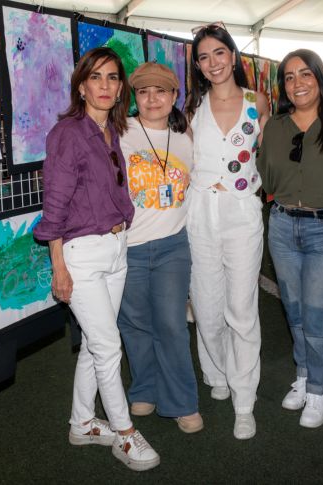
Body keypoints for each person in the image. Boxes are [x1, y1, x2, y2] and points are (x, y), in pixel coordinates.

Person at [33, 47, 159, 471]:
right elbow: (55, 205)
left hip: (116, 247)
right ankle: (124, 435)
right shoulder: (67, 133)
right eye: (96, 78)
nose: (105, 85)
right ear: (81, 85)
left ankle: (82, 423)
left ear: (120, 87)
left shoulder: (111, 130)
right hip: (81, 254)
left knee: (93, 344)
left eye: (112, 78)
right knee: (109, 347)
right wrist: (59, 267)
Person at [256, 49, 323, 428]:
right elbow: (267, 177)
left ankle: (318, 390)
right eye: (290, 77)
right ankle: (302, 375)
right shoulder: (276, 128)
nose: (298, 83)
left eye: (305, 74)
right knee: (294, 313)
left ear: (320, 78)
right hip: (282, 227)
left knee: (316, 316)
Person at [184, 21, 270, 440]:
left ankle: (244, 399)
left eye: (219, 52)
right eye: (204, 57)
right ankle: (216, 372)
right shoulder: (190, 109)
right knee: (206, 305)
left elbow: (269, 158)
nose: (213, 62)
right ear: (198, 66)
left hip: (242, 214)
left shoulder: (260, 102)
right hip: (199, 213)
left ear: (233, 56)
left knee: (242, 308)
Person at [115, 62, 203, 434]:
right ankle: (145, 386)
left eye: (161, 91)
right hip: (128, 247)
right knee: (134, 323)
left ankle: (182, 400)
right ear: (135, 97)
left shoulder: (186, 139)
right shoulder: (119, 133)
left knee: (170, 324)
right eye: (144, 92)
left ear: (174, 96)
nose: (152, 99)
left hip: (172, 246)